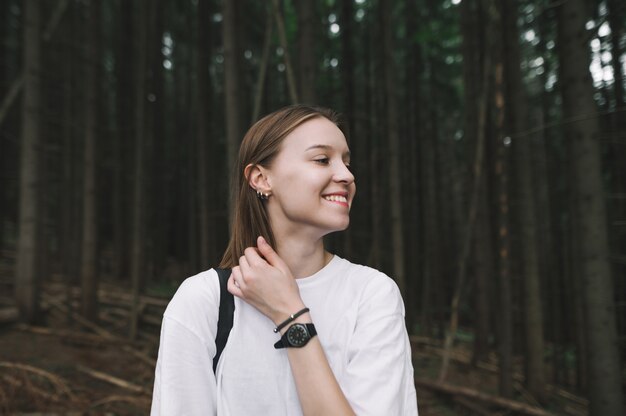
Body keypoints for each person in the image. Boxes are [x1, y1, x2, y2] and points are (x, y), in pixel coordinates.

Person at [150, 104, 418, 415]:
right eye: (322, 160)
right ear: (261, 179)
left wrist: (290, 313)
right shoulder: (203, 301)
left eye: (346, 162)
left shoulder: (372, 295)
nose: (346, 175)